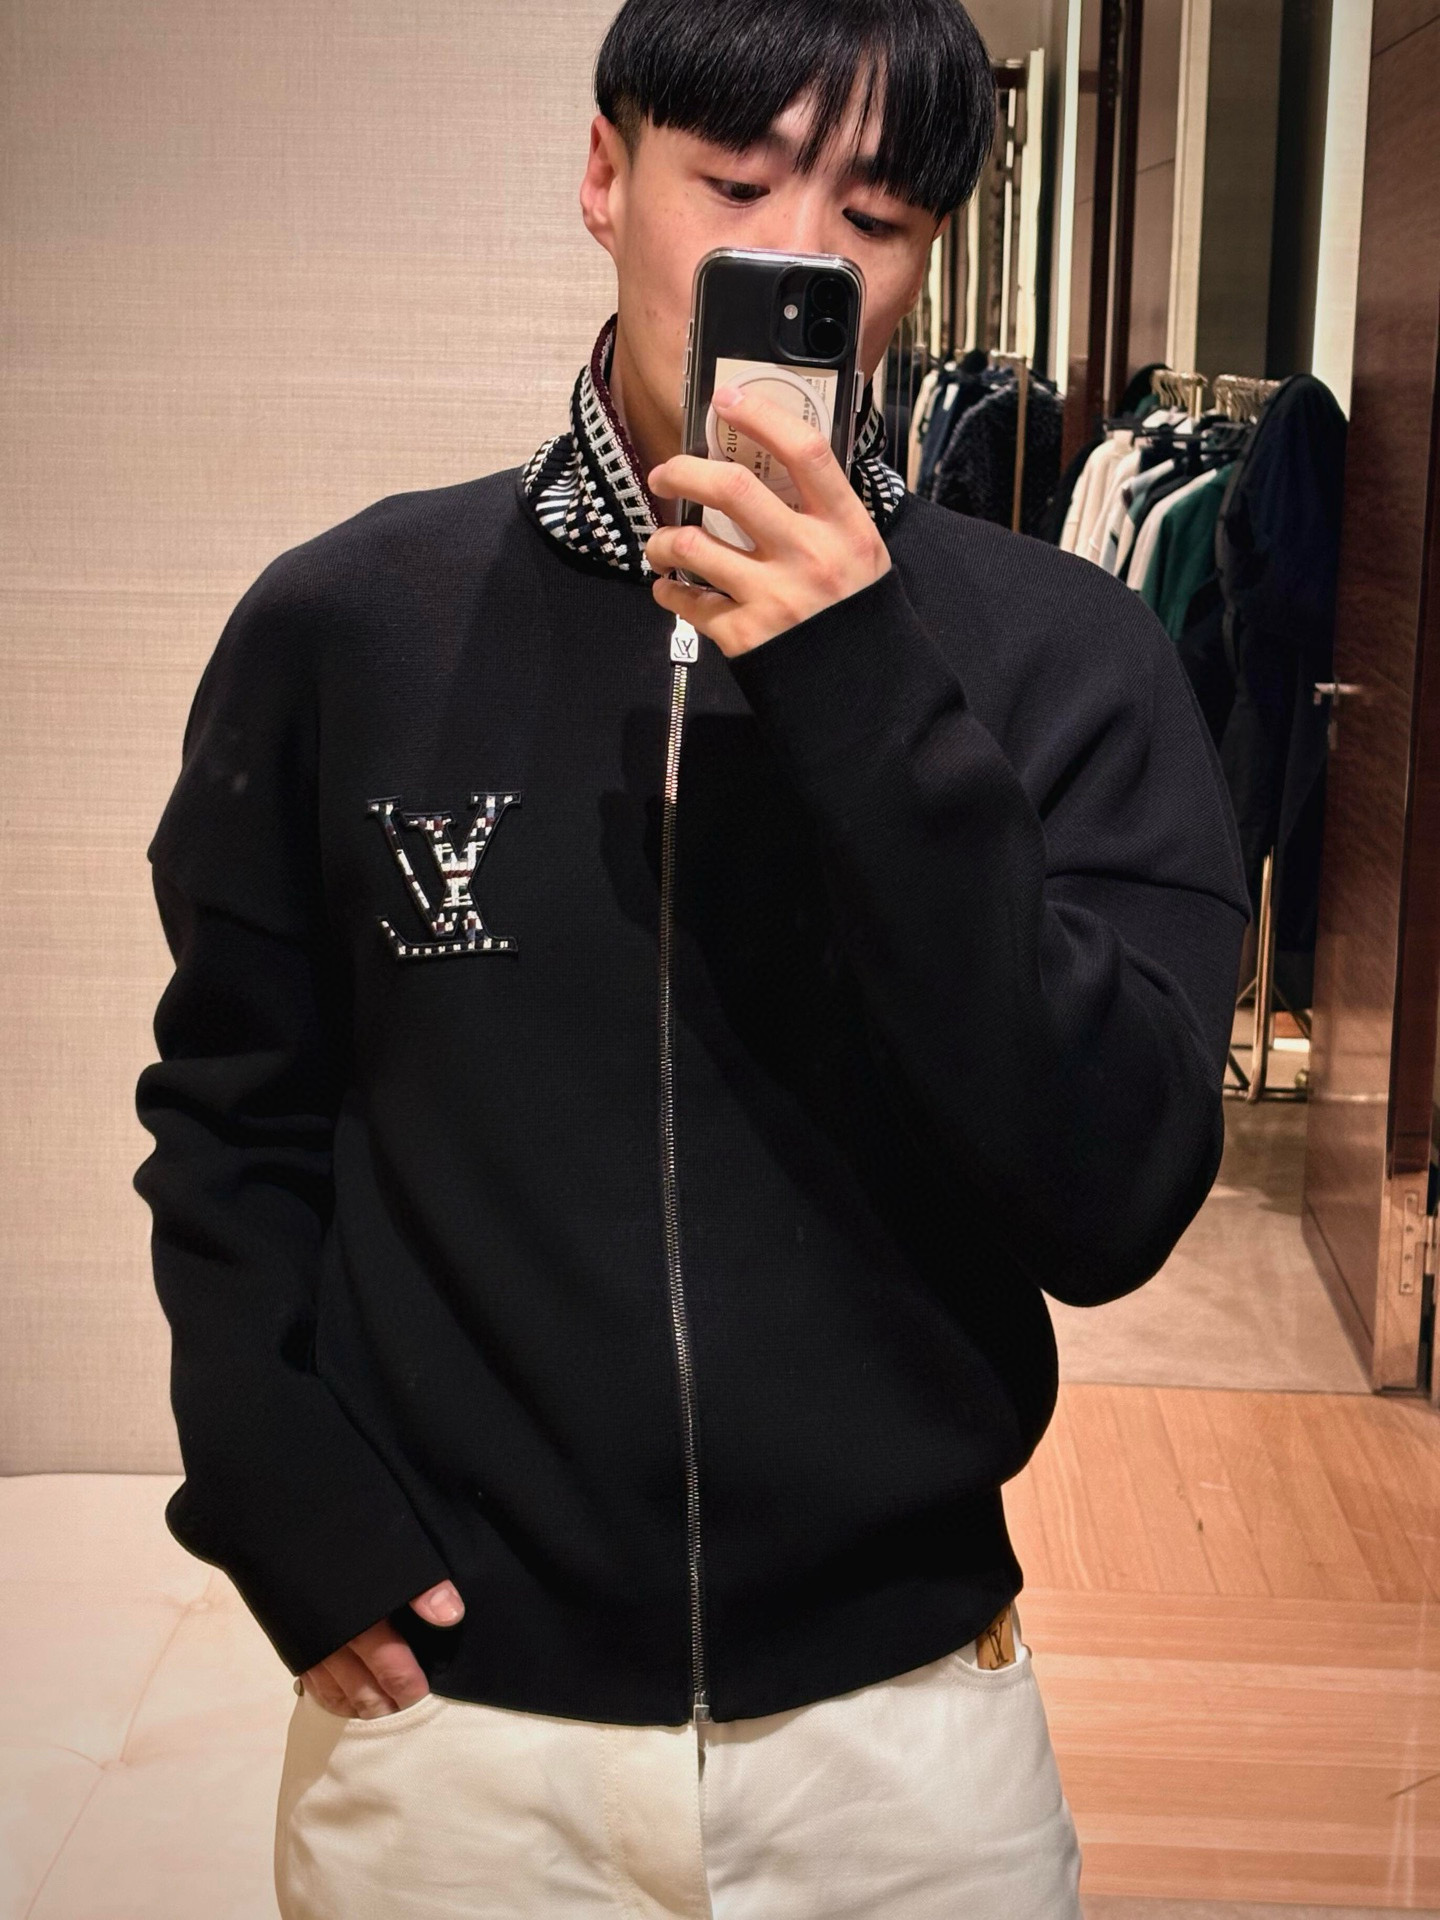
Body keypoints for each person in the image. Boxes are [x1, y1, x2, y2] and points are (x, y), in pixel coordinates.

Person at [133, 1, 1250, 1914]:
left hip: (909, 1745)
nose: (799, 258)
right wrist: (278, 1492)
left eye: (875, 219)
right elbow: (235, 1109)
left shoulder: (1065, 660)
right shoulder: (348, 626)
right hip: (455, 1744)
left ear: (925, 259)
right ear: (605, 175)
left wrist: (862, 692)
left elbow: (1116, 1190)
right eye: (734, 186)